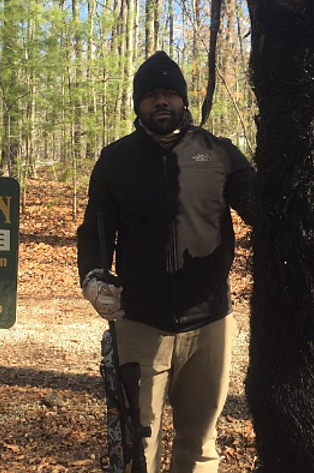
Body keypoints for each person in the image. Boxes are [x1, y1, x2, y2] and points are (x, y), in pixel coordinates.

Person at [76, 51, 255, 473]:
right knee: (140, 446)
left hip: (210, 322)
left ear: (184, 101)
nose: (161, 102)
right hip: (139, 323)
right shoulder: (116, 160)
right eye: (151, 95)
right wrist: (93, 278)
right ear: (137, 104)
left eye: (170, 93)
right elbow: (95, 231)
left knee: (200, 445)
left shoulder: (218, 153)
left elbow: (259, 206)